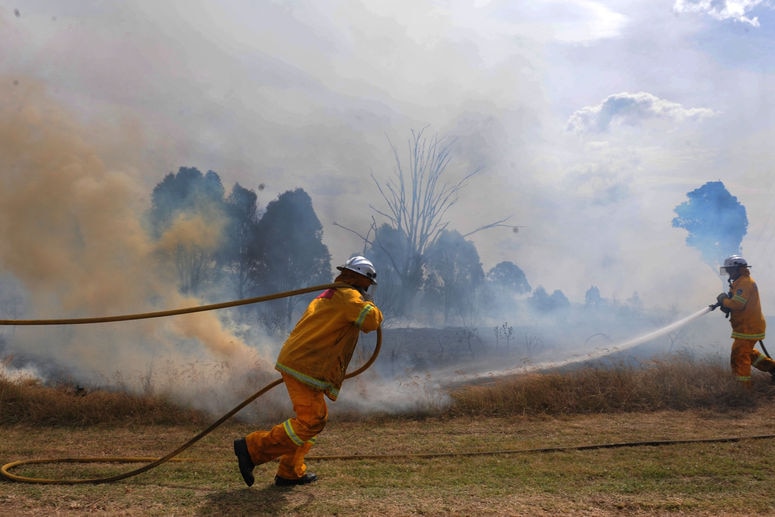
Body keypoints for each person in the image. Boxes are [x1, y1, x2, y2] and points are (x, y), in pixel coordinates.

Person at [233, 255, 383, 487]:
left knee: (313, 419)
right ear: (360, 280)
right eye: (367, 285)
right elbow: (371, 322)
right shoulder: (349, 297)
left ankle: (290, 471)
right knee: (312, 420)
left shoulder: (334, 293)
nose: (367, 289)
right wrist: (371, 304)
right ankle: (252, 449)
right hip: (306, 364)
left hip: (303, 361)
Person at [714, 254, 775, 387]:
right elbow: (739, 304)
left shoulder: (745, 283)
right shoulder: (739, 282)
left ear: (738, 269)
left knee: (739, 356)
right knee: (747, 353)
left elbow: (738, 304)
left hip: (749, 327)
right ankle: (773, 368)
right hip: (746, 326)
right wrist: (725, 304)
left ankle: (742, 389)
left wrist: (724, 300)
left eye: (730, 270)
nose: (728, 273)